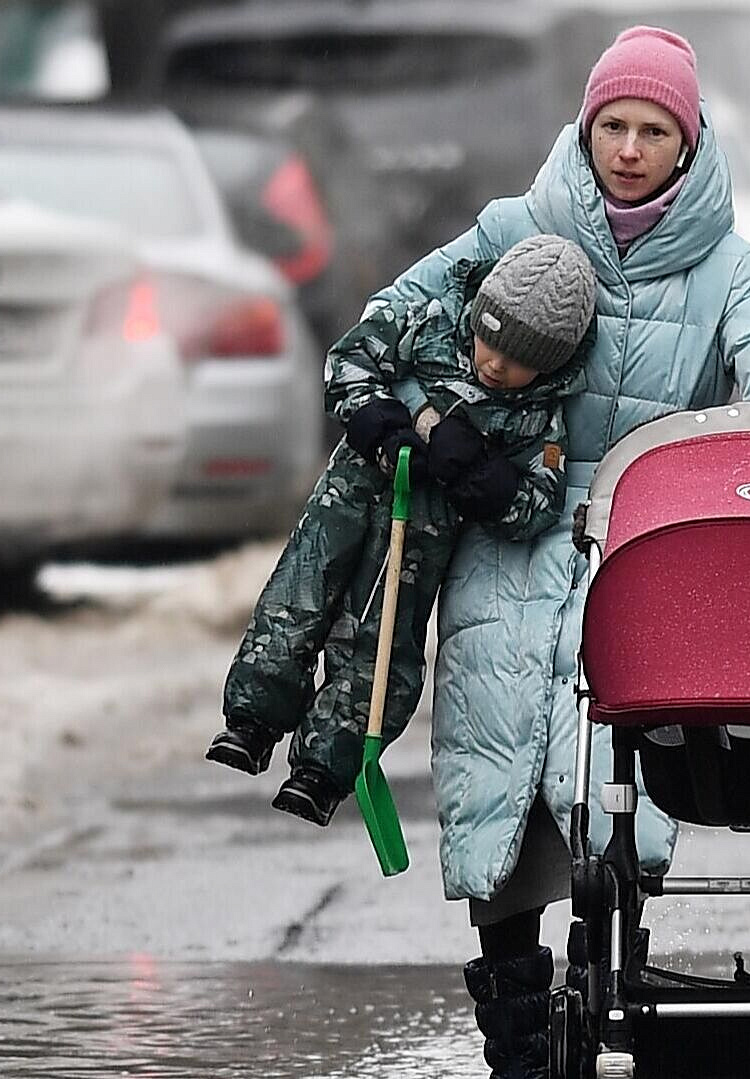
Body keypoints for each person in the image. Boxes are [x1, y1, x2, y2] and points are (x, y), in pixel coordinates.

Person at [367, 25, 750, 1079]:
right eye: (613, 124)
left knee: (617, 778)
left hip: (641, 546)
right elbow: (389, 333)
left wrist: (742, 446)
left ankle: (604, 991)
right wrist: (439, 427)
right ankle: (518, 1039)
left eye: (652, 129)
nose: (629, 146)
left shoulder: (727, 269)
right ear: (586, 128)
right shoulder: (512, 231)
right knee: (499, 777)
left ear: (687, 140)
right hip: (508, 533)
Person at [204, 235, 595, 827]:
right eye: (489, 341)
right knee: (295, 605)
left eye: (515, 362)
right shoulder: (430, 325)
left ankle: (324, 768)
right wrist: (383, 427)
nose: (493, 362)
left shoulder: (536, 417)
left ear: (549, 364)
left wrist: (475, 472)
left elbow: (535, 506)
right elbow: (348, 361)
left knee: (378, 649)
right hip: (344, 506)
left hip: (417, 547)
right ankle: (252, 720)